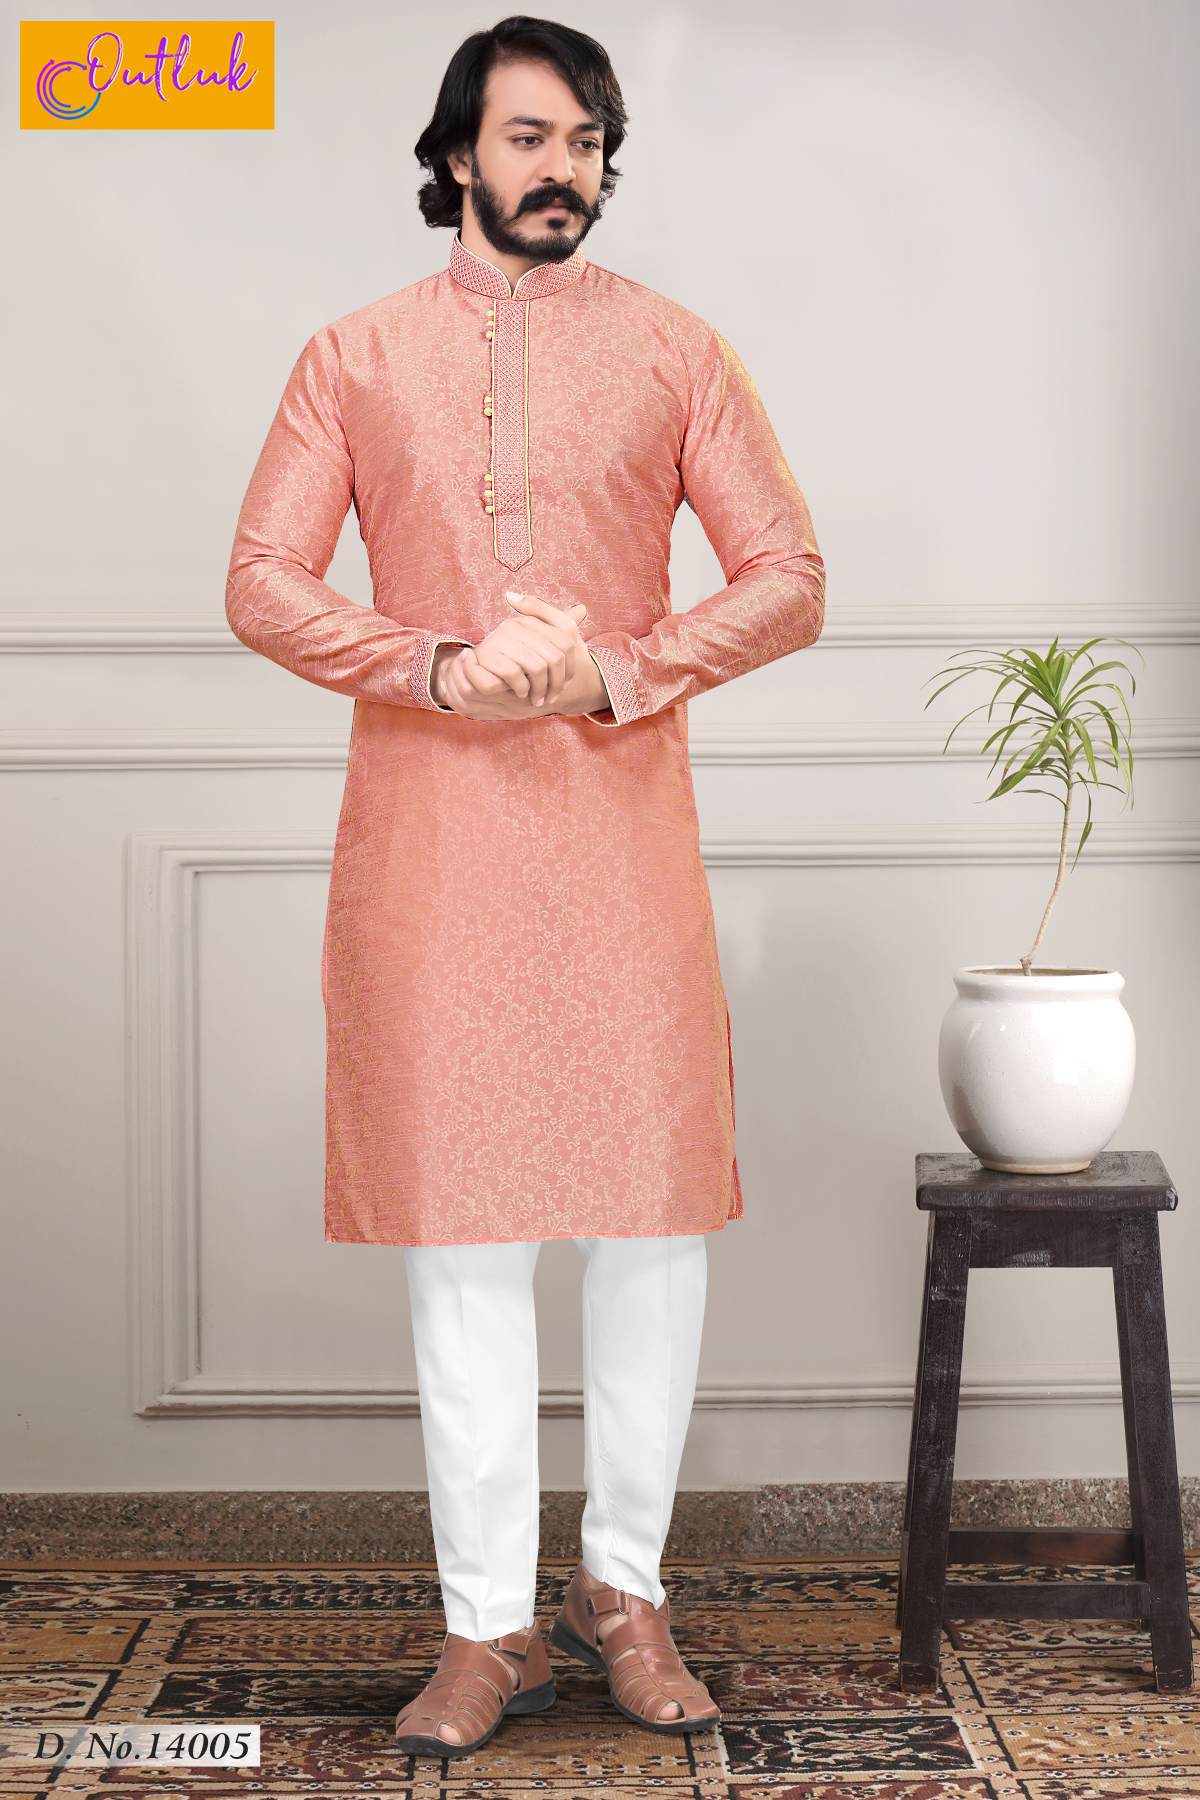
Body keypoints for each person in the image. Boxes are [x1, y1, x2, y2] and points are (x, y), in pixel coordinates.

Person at [224, 13, 825, 1759]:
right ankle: (485, 1622)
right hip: (432, 842)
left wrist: (610, 670)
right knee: (464, 1243)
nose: (564, 169)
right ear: (458, 156)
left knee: (647, 1226)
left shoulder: (676, 351)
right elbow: (262, 581)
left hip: (618, 836)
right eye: (530, 137)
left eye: (587, 141)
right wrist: (434, 664)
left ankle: (622, 1591)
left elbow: (788, 574)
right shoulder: (356, 357)